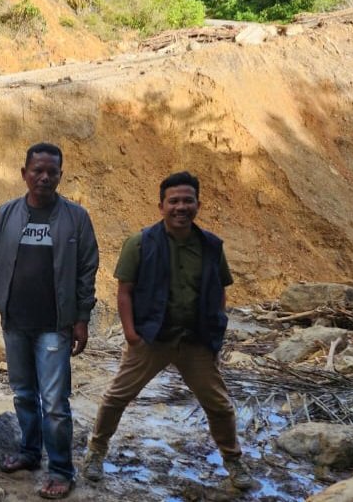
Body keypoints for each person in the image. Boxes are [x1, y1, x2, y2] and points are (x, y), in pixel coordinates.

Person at [82, 171, 255, 491]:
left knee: (219, 405)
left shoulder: (211, 246)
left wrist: (216, 328)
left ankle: (233, 460)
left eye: (188, 200)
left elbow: (219, 289)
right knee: (116, 397)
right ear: (161, 206)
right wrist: (131, 335)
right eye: (174, 201)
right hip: (152, 338)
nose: (181, 207)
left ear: (198, 205)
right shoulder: (140, 243)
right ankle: (96, 451)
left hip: (195, 340)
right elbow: (124, 291)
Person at [0, 142, 99, 500]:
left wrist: (81, 319)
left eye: (52, 172)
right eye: (37, 171)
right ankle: (30, 452)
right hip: (14, 321)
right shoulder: (8, 213)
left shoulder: (76, 217)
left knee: (55, 402)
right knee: (23, 394)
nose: (44, 177)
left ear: (60, 175)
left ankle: (61, 469)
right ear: (24, 173)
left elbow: (86, 270)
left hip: (54, 326)